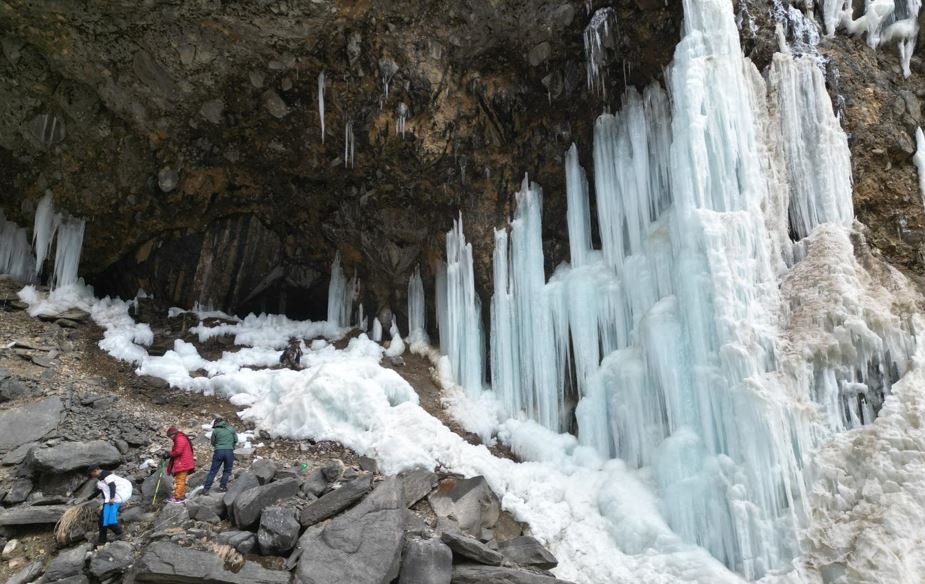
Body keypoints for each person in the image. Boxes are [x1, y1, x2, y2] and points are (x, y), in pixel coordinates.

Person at [87, 465, 132, 545]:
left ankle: (120, 533)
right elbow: (98, 491)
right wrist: (88, 499)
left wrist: (112, 497)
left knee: (108, 520)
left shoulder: (106, 475)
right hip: (108, 500)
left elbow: (112, 486)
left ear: (95, 470)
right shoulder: (100, 479)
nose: (91, 476)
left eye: (91, 474)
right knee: (102, 521)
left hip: (114, 499)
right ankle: (102, 540)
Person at [202, 417, 237, 495]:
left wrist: (218, 446)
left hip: (218, 451)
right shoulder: (231, 429)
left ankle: (206, 489)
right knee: (227, 470)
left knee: (213, 471)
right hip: (229, 451)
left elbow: (213, 442)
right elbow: (236, 440)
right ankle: (222, 487)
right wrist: (230, 445)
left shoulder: (215, 431)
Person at [164, 425, 195, 503]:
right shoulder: (180, 437)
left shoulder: (179, 438)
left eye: (170, 436)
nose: (170, 438)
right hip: (184, 462)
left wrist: (169, 454)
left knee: (180, 480)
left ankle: (177, 497)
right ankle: (181, 496)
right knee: (181, 480)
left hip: (183, 462)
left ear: (173, 434)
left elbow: (178, 451)